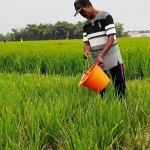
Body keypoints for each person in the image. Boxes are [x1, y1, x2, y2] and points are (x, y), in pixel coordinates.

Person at [74, 0, 126, 99]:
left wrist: (101, 55)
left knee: (120, 86)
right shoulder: (86, 25)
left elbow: (111, 38)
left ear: (88, 5)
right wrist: (87, 51)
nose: (82, 15)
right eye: (79, 13)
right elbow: (87, 43)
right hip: (97, 62)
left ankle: (123, 107)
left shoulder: (105, 16)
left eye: (82, 11)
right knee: (100, 88)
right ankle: (104, 106)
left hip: (113, 58)